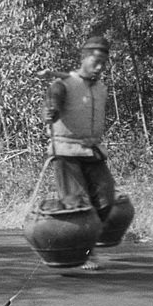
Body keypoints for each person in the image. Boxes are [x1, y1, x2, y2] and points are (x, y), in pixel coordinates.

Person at [43, 36, 116, 271]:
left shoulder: (100, 87)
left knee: (105, 198)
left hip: (92, 150)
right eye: (96, 60)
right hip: (65, 151)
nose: (101, 66)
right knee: (77, 203)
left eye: (104, 62)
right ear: (84, 58)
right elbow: (53, 100)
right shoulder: (62, 84)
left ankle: (84, 245)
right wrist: (50, 110)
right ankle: (84, 252)